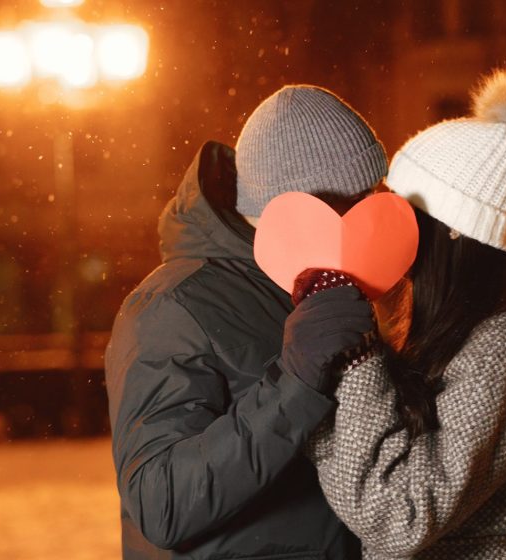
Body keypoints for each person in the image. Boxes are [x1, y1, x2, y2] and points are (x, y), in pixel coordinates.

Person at [304, 61, 506, 559]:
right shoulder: (461, 333)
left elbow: (397, 519)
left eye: (395, 213)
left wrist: (350, 364)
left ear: (445, 234)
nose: (377, 228)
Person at [105, 85, 385, 559]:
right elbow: (161, 503)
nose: (369, 217)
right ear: (300, 205)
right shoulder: (172, 305)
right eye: (356, 202)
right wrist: (294, 384)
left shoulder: (326, 281)